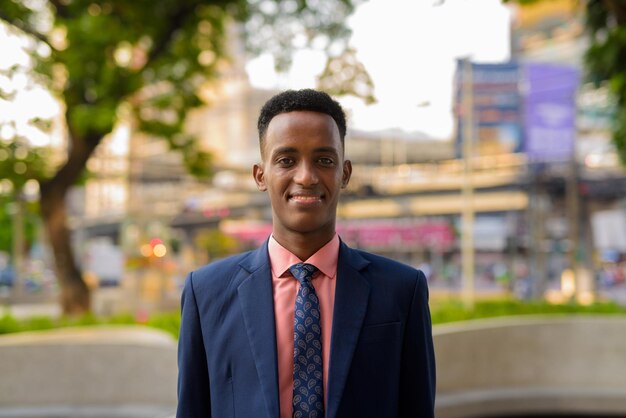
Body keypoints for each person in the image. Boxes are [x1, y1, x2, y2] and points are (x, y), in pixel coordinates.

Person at [177, 89, 436, 418]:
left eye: (324, 160)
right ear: (260, 175)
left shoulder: (402, 290)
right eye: (286, 161)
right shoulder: (207, 292)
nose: (306, 177)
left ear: (345, 173)